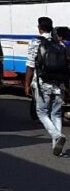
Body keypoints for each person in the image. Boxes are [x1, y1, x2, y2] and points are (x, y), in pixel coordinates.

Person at [24, 16, 67, 157]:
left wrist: (26, 84)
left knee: (41, 112)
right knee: (56, 114)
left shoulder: (35, 43)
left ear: (40, 28)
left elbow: (30, 66)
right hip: (59, 84)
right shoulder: (60, 44)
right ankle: (56, 146)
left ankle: (57, 136)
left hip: (43, 84)